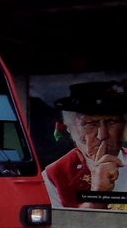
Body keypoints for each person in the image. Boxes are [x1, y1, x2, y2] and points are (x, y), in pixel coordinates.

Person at [43, 81, 127, 209]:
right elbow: (63, 227)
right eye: (90, 124)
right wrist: (98, 195)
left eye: (112, 122)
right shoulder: (54, 176)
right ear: (70, 128)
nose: (102, 135)